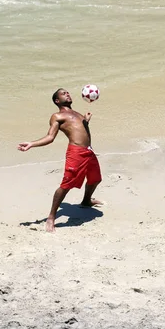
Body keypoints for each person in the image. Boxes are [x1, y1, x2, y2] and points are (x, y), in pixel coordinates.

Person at [18, 88, 103, 232]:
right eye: (63, 94)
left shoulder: (77, 114)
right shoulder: (57, 116)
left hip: (88, 151)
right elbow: (50, 137)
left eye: (68, 92)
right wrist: (32, 144)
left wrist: (86, 122)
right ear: (57, 101)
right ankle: (51, 217)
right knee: (66, 185)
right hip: (76, 152)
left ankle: (86, 201)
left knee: (95, 179)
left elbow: (81, 132)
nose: (68, 94)